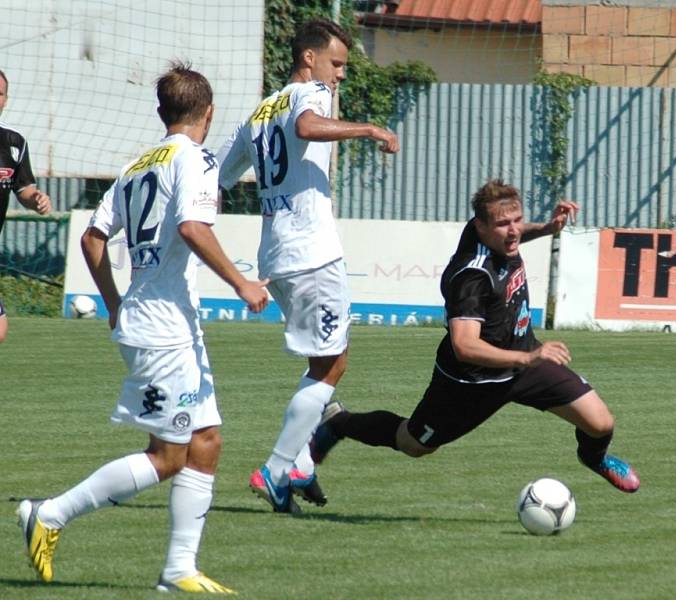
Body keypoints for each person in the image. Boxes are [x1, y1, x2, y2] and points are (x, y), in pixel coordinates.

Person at [16, 62, 269, 593]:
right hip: (164, 328)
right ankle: (49, 515)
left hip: (159, 320)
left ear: (162, 113)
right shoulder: (196, 159)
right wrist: (243, 284)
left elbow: (91, 237)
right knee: (169, 454)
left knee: (207, 442)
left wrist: (113, 302)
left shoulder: (138, 164)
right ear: (209, 112)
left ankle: (180, 569)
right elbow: (192, 227)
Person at [311, 179, 641, 496]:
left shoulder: (491, 233)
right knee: (415, 443)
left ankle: (594, 457)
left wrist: (546, 228)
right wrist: (528, 358)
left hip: (525, 362)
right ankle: (340, 422)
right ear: (479, 227)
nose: (513, 230)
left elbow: (513, 232)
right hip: (470, 383)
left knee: (600, 423)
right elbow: (465, 346)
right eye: (502, 224)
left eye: (517, 220)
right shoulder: (472, 276)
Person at [217, 18, 399, 513]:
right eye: (336, 64)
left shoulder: (258, 112)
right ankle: (279, 469)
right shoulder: (308, 95)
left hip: (277, 251)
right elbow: (306, 126)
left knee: (322, 362)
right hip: (310, 252)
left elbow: (220, 178)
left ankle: (301, 463)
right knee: (332, 363)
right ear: (309, 59)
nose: (339, 75)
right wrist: (369, 128)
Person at [0, 68, 52, 343]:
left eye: (0, 93)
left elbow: (24, 188)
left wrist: (36, 199)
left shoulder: (14, 144)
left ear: (6, 99)